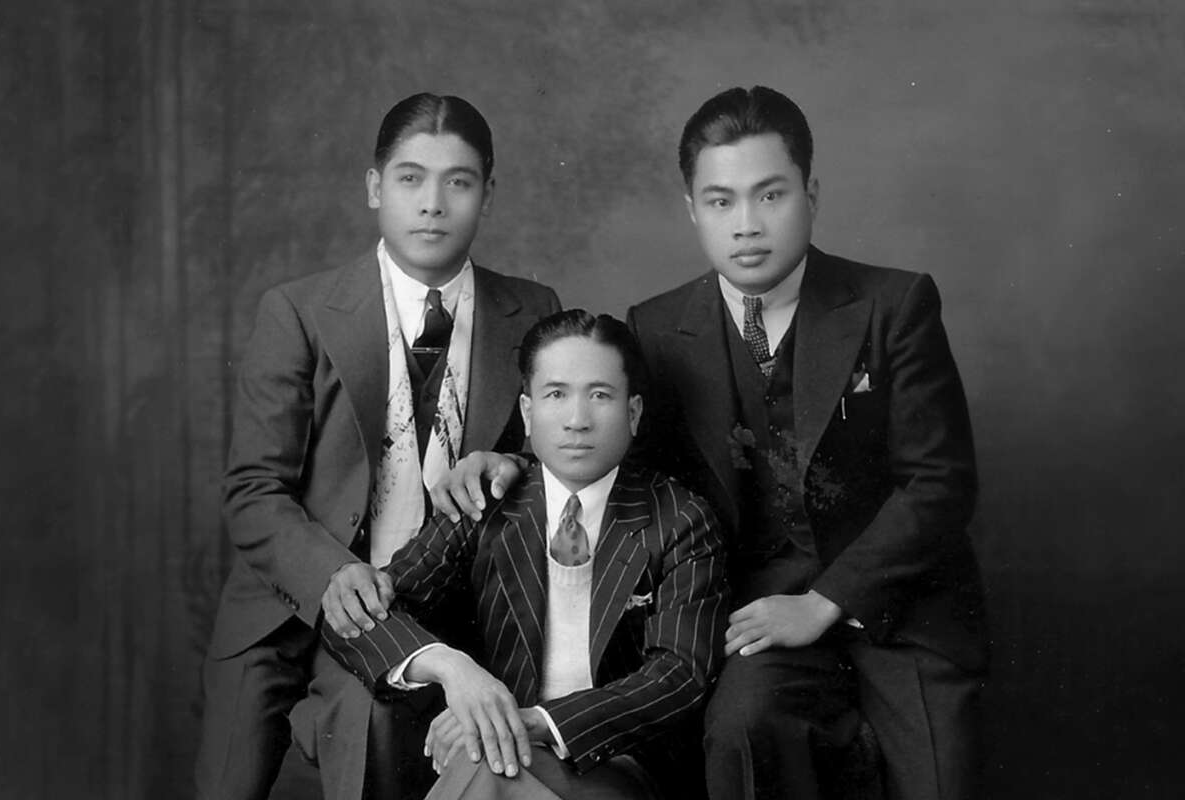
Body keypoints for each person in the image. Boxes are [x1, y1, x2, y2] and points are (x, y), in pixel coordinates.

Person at [434, 86, 988, 800]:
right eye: (722, 201)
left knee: (938, 784)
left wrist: (825, 602)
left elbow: (940, 483)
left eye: (771, 195)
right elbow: (613, 448)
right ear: (693, 209)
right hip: (753, 617)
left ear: (810, 194)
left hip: (899, 613)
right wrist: (511, 460)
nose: (747, 225)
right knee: (738, 733)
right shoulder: (660, 327)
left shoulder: (894, 303)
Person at [196, 92, 561, 800]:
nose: (433, 204)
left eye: (458, 182)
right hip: (290, 605)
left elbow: (563, 459)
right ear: (374, 188)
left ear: (488, 193)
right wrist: (333, 574)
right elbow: (253, 491)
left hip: (435, 610)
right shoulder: (299, 311)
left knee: (375, 719)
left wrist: (514, 463)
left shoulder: (533, 309)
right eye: (409, 178)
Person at [322, 310, 727, 800]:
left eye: (600, 395)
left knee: (487, 767)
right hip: (497, 749)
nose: (577, 420)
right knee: (491, 765)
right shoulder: (487, 500)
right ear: (529, 413)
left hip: (612, 759)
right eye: (556, 394)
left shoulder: (680, 518)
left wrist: (536, 721)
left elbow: (677, 675)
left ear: (634, 413)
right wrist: (455, 671)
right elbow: (359, 617)